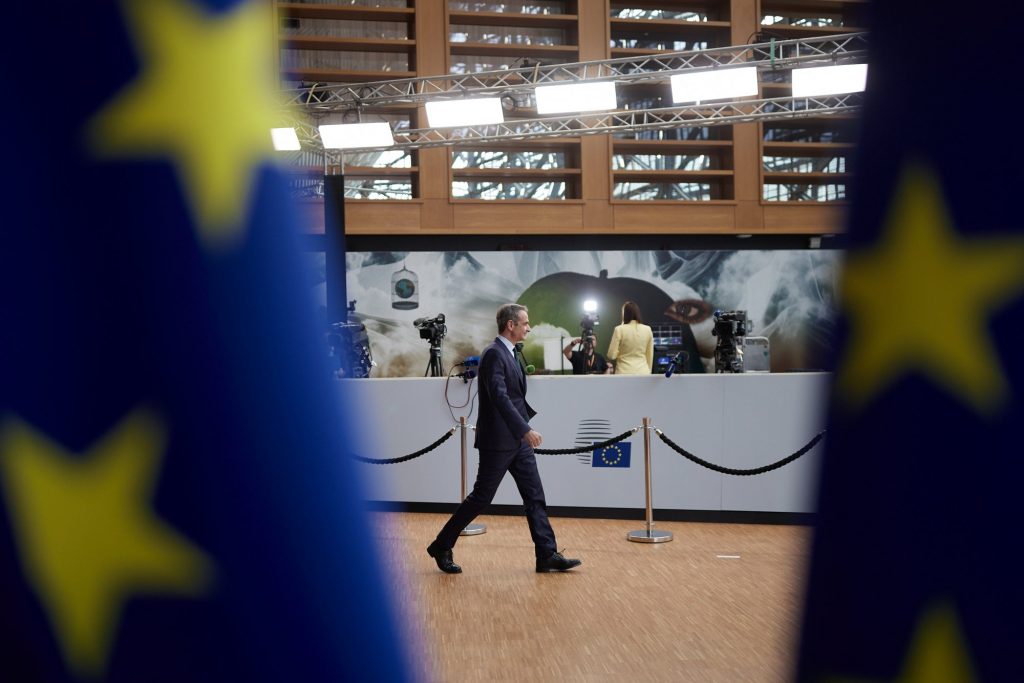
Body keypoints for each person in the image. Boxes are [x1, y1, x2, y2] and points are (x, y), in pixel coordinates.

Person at [427, 303, 582, 574]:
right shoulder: (493, 354)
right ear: (511, 325)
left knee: (534, 496)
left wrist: (521, 431)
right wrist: (524, 429)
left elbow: (513, 395)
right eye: (525, 323)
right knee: (481, 498)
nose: (529, 328)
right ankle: (441, 545)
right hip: (498, 441)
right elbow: (499, 397)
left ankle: (546, 554)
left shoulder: (510, 352)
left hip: (517, 442)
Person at [607, 301, 654, 375]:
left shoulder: (619, 329)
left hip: (623, 372)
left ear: (624, 314)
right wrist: (648, 371)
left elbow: (611, 356)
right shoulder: (647, 329)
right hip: (643, 372)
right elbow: (650, 355)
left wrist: (620, 352)